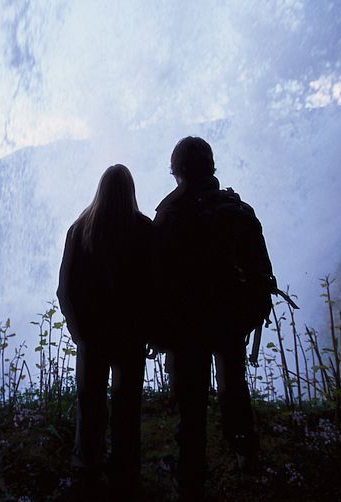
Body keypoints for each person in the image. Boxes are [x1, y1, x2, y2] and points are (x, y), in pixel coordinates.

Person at [154, 136, 275, 500]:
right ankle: (245, 452)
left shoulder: (172, 215)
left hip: (189, 325)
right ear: (211, 168)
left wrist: (158, 329)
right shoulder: (236, 208)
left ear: (177, 170)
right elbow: (260, 269)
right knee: (233, 385)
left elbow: (157, 277)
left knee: (192, 403)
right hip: (231, 319)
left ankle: (191, 474)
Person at [57, 164, 153, 497]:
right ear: (131, 192)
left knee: (90, 403)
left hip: (92, 336)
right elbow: (155, 289)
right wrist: (151, 330)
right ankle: (126, 470)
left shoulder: (79, 229)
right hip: (131, 336)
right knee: (127, 404)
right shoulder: (144, 230)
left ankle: (88, 466)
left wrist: (77, 330)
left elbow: (65, 290)